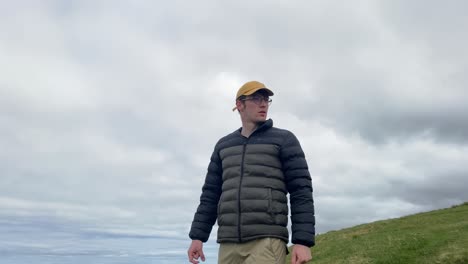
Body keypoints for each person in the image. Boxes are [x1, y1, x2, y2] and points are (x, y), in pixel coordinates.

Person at [188, 81, 315, 264]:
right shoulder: (223, 145)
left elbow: (301, 191)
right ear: (240, 105)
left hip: (267, 240)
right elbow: (210, 195)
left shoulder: (284, 139)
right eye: (256, 99)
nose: (263, 104)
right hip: (228, 242)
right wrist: (198, 237)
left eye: (266, 99)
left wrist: (302, 242)